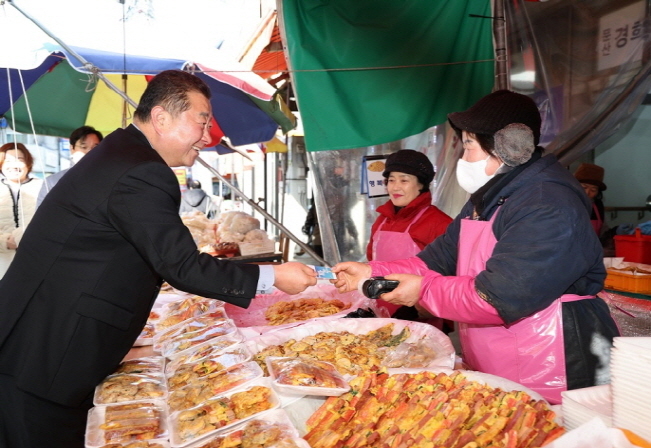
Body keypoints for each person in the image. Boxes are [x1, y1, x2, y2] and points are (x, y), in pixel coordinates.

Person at [0, 69, 316, 448]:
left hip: (45, 340)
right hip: (47, 351)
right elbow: (180, 265)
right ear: (162, 118)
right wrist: (273, 276)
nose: (207, 136)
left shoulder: (122, 154)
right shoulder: (141, 170)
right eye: (201, 121)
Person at [332, 89, 620, 404]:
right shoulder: (489, 198)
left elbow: (498, 297)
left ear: (510, 148)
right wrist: (371, 270)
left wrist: (423, 291)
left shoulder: (547, 202)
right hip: (500, 362)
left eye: (468, 145)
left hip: (554, 367)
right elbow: (435, 260)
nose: (463, 157)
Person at [367, 149, 452, 318]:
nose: (395, 187)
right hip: (381, 309)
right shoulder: (382, 220)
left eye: (404, 180)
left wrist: (420, 308)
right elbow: (371, 259)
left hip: (420, 313)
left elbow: (450, 275)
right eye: (391, 180)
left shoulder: (439, 223)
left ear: (421, 185)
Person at [0, 143, 44, 279]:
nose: (14, 165)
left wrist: (22, 236)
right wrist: (4, 241)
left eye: (20, 160)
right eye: (8, 161)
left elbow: (52, 221)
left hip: (36, 260)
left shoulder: (42, 186)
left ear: (28, 163)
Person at [36, 126, 103, 206]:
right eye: (83, 147)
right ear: (72, 148)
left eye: (95, 148)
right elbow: (42, 215)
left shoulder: (109, 180)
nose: (89, 152)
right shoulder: (53, 182)